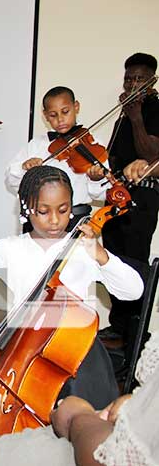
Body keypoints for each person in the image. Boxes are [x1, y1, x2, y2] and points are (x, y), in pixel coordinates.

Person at [0, 166, 143, 415]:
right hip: (21, 338)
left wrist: (101, 256)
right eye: (43, 211)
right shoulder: (12, 249)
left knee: (82, 418)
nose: (55, 220)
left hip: (75, 345)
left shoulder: (84, 248)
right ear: (26, 210)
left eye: (63, 210)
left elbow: (134, 290)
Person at [0, 330, 159, 466]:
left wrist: (77, 416)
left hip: (73, 344)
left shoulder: (87, 263)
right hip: (24, 333)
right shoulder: (10, 258)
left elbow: (133, 289)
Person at [100, 53, 159, 345]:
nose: (132, 83)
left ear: (152, 81)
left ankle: (136, 331)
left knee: (134, 260)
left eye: (139, 78)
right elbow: (114, 153)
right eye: (128, 78)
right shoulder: (124, 110)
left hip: (143, 195)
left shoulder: (152, 109)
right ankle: (119, 324)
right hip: (117, 193)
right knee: (112, 259)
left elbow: (150, 154)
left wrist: (136, 118)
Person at [5, 86, 108, 233]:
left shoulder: (93, 145)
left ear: (76, 107)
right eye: (53, 115)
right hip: (37, 218)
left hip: (75, 218)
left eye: (65, 112)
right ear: (45, 116)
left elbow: (102, 193)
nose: (60, 119)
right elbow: (11, 181)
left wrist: (95, 179)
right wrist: (24, 168)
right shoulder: (36, 144)